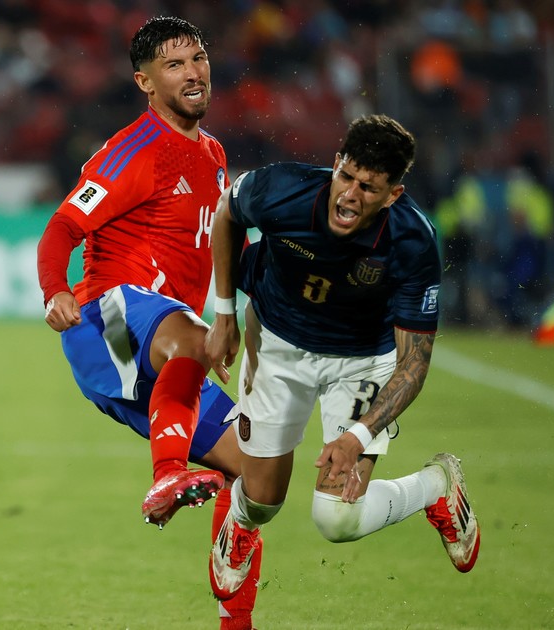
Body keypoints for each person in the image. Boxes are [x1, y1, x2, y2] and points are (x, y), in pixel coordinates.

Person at [35, 16, 259, 629]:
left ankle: (235, 621)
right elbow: (62, 226)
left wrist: (268, 300)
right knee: (192, 338)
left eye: (198, 58)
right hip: (106, 320)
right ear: (145, 82)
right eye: (174, 65)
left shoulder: (213, 154)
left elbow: (227, 252)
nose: (193, 73)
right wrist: (56, 290)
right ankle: (167, 476)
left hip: (157, 355)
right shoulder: (136, 150)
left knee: (255, 473)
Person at [203, 115, 481, 605]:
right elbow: (227, 213)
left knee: (337, 520)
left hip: (361, 360)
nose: (350, 196)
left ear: (393, 194)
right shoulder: (282, 189)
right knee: (262, 501)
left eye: (368, 188)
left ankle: (436, 486)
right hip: (276, 344)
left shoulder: (412, 241)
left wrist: (358, 436)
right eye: (346, 176)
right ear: (335, 164)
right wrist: (225, 313)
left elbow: (413, 365)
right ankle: (242, 521)